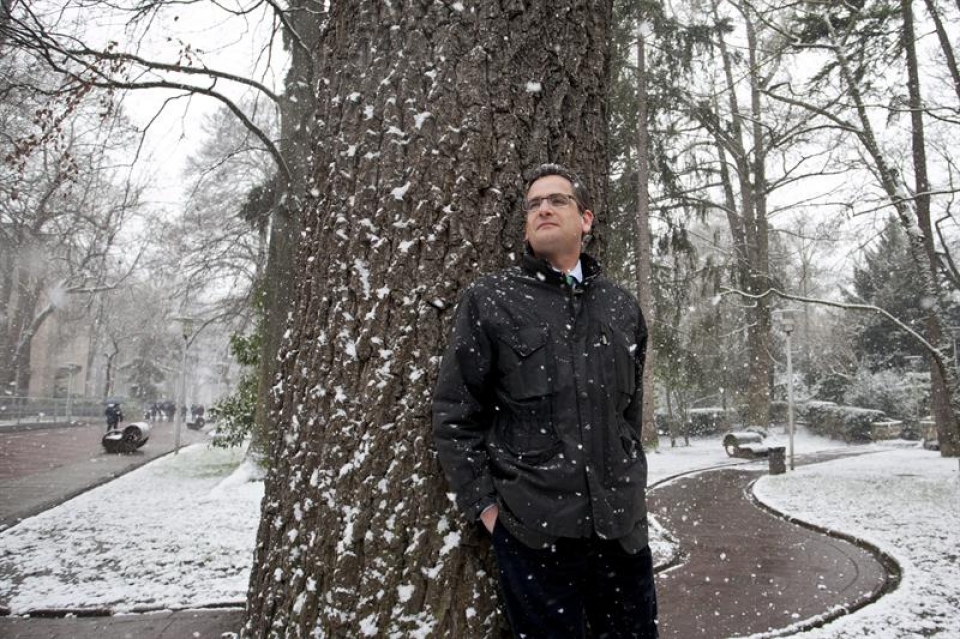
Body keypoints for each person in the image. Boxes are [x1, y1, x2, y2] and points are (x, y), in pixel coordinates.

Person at [433, 163, 658, 638]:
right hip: (535, 534)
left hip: (622, 533)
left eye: (557, 200)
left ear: (587, 219)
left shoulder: (621, 308)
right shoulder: (490, 300)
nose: (544, 209)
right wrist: (489, 512)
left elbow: (628, 414)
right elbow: (456, 413)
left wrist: (630, 487)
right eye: (534, 204)